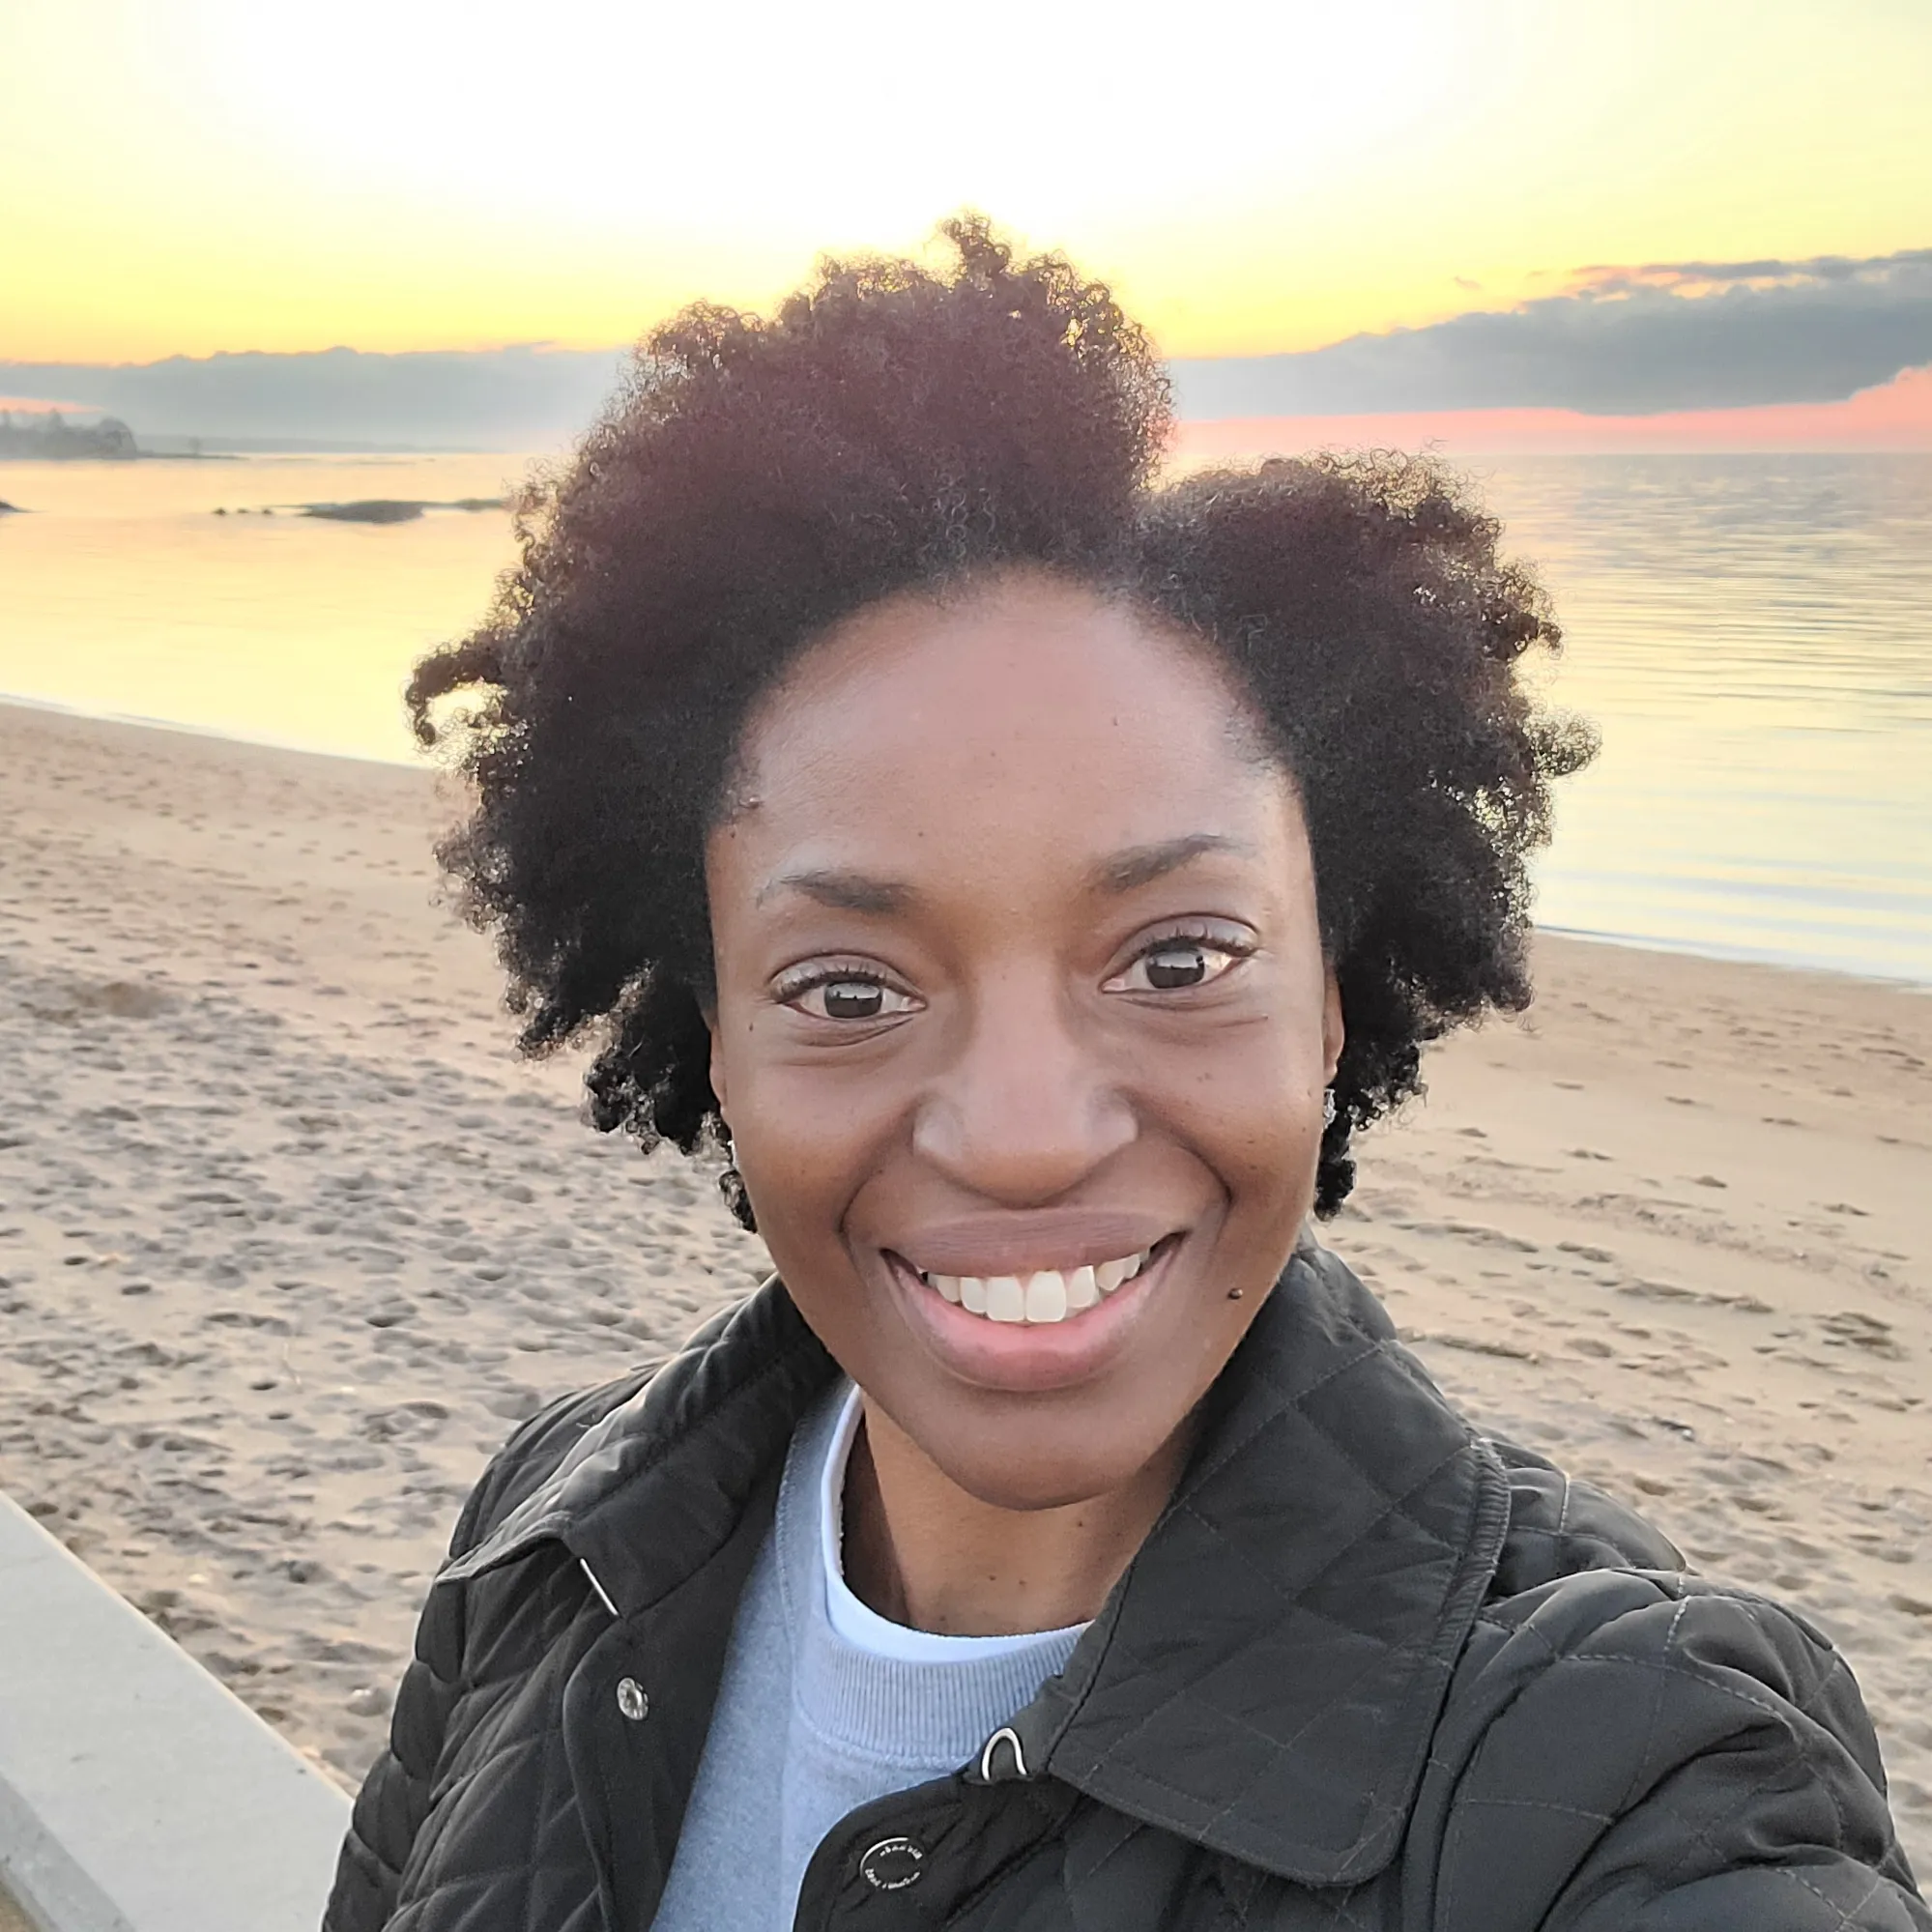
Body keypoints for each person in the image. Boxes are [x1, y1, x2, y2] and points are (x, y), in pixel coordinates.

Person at [323, 218, 1926, 1932]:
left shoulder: (1634, 1758)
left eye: (1176, 962)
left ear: (1329, 1004)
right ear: (715, 1041)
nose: (1024, 1138)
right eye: (849, 988)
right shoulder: (551, 1538)